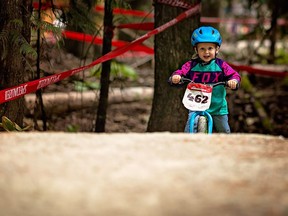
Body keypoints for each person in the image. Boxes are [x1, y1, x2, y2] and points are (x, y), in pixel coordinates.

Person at [169, 26, 241, 133]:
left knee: (224, 130)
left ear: (217, 49)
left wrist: (233, 81)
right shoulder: (191, 65)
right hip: (196, 106)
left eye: (210, 48)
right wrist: (176, 77)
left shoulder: (221, 65)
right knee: (190, 129)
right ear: (196, 50)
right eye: (202, 48)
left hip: (218, 107)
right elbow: (181, 72)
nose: (206, 52)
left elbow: (234, 75)